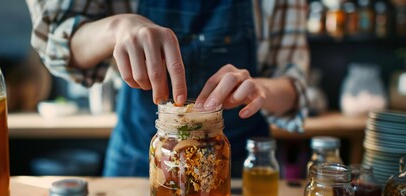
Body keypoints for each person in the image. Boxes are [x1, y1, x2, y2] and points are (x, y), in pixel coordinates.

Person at [26, 0, 309, 177]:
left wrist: (259, 89)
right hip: (138, 160)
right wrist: (117, 28)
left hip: (236, 162)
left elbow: (293, 86)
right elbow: (53, 40)